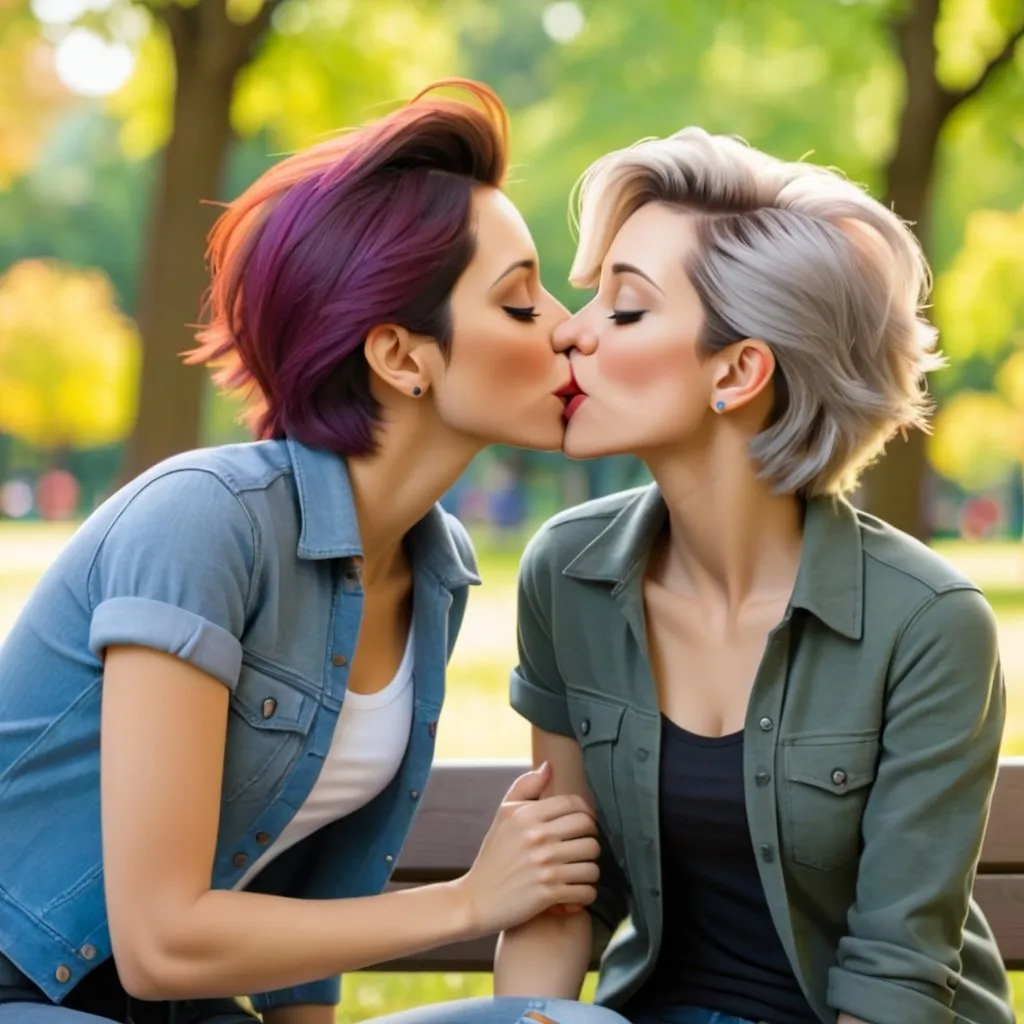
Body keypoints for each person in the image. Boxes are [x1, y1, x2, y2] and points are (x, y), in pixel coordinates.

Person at [0, 80, 624, 1024]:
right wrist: (464, 901)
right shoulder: (203, 523)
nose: (568, 330)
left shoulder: (436, 567)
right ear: (402, 357)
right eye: (521, 303)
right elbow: (161, 940)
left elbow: (312, 913)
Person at [496, 127, 1014, 1024]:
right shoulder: (565, 574)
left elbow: (896, 977)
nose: (570, 332)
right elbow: (563, 894)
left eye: (625, 309)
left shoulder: (928, 624)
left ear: (737, 371)